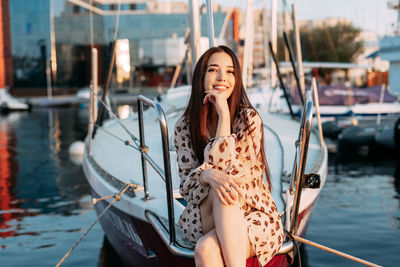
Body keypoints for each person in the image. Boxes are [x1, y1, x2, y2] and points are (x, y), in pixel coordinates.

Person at [174, 46, 284, 267]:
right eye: (213, 70)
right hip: (204, 216)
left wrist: (224, 114)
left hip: (252, 216)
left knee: (205, 249)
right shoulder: (185, 126)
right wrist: (208, 176)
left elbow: (232, 179)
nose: (222, 77)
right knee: (218, 186)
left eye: (230, 72)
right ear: (201, 77)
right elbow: (186, 186)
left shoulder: (249, 119)